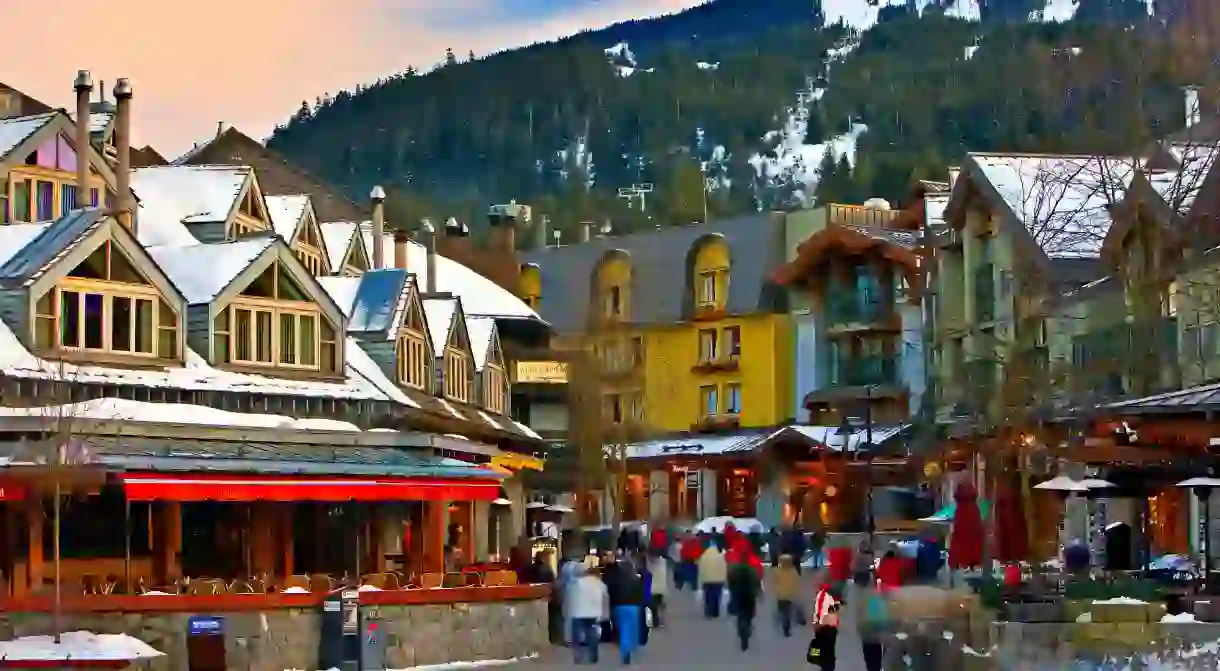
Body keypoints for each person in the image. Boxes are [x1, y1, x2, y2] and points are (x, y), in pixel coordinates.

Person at [567, 562, 609, 665]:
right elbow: (605, 599)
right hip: (593, 613)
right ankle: (593, 656)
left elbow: (571, 598)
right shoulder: (600, 584)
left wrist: (568, 611)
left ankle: (578, 657)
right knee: (592, 634)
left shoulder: (576, 583)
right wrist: (604, 614)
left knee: (576, 636)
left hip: (578, 612)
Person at [606, 556, 645, 664]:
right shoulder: (637, 580)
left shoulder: (615, 580)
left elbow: (611, 593)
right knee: (631, 629)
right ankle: (630, 648)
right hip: (633, 607)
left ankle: (624, 650)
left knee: (622, 629)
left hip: (619, 606)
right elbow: (641, 594)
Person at [726, 548, 762, 651]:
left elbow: (730, 581)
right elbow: (756, 582)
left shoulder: (734, 569)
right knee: (749, 614)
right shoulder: (752, 570)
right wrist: (758, 593)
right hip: (749, 596)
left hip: (738, 595)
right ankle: (748, 628)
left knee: (740, 615)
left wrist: (732, 591)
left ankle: (741, 631)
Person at [851, 574, 889, 671]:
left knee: (870, 659)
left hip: (867, 634)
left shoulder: (861, 596)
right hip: (873, 635)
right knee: (875, 658)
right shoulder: (874, 595)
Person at [769, 554, 801, 637]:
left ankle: (780, 619)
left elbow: (774, 580)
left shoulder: (777, 571)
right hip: (790, 595)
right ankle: (786, 628)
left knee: (782, 610)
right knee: (788, 612)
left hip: (780, 594)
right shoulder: (793, 571)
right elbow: (797, 582)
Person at [697, 542, 727, 618]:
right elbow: (723, 568)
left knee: (708, 596)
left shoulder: (703, 556)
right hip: (718, 580)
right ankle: (715, 612)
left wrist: (701, 579)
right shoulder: (720, 557)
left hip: (707, 580)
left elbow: (700, 568)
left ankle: (708, 611)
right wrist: (724, 579)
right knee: (717, 596)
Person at [809, 601, 841, 670]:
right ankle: (828, 665)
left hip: (822, 630)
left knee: (819, 647)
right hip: (830, 630)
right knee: (829, 649)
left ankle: (820, 662)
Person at [646, 551, 669, 628]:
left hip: (655, 588)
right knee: (657, 605)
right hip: (658, 588)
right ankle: (658, 621)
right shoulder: (663, 562)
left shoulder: (648, 563)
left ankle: (657, 621)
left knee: (655, 605)